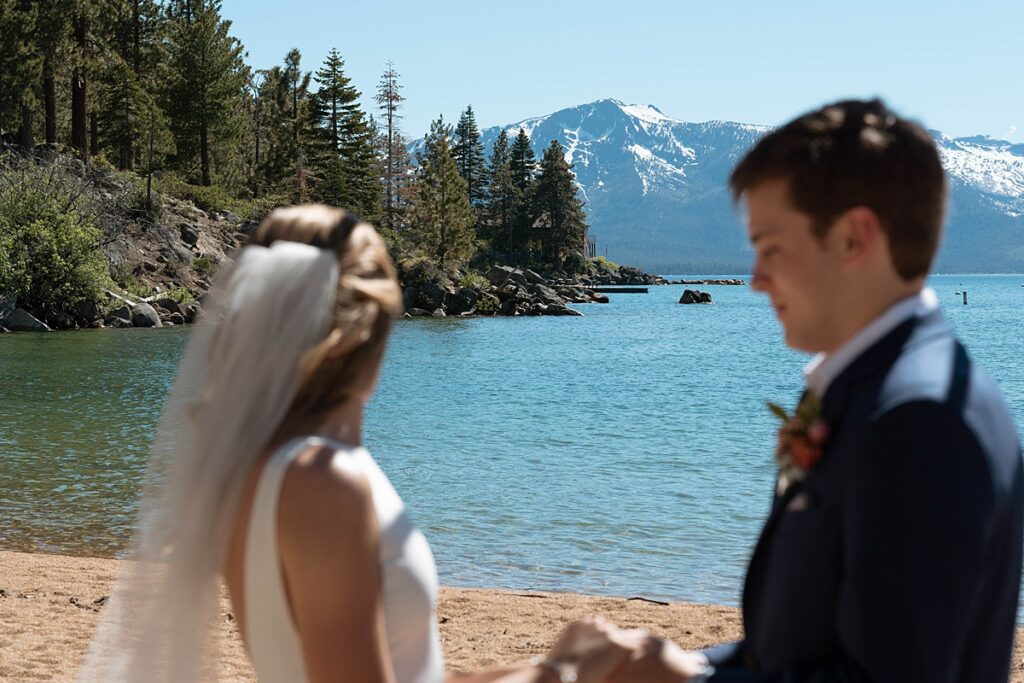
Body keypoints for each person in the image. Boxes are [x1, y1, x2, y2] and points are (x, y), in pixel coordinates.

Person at [77, 204, 656, 683]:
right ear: (368, 334)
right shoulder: (323, 480)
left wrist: (542, 668)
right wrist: (562, 675)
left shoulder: (249, 471)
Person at [626, 99, 1023, 681]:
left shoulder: (919, 421)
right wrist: (684, 663)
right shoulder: (879, 390)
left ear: (854, 237)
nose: (756, 280)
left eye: (771, 248)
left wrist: (689, 680)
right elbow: (802, 647)